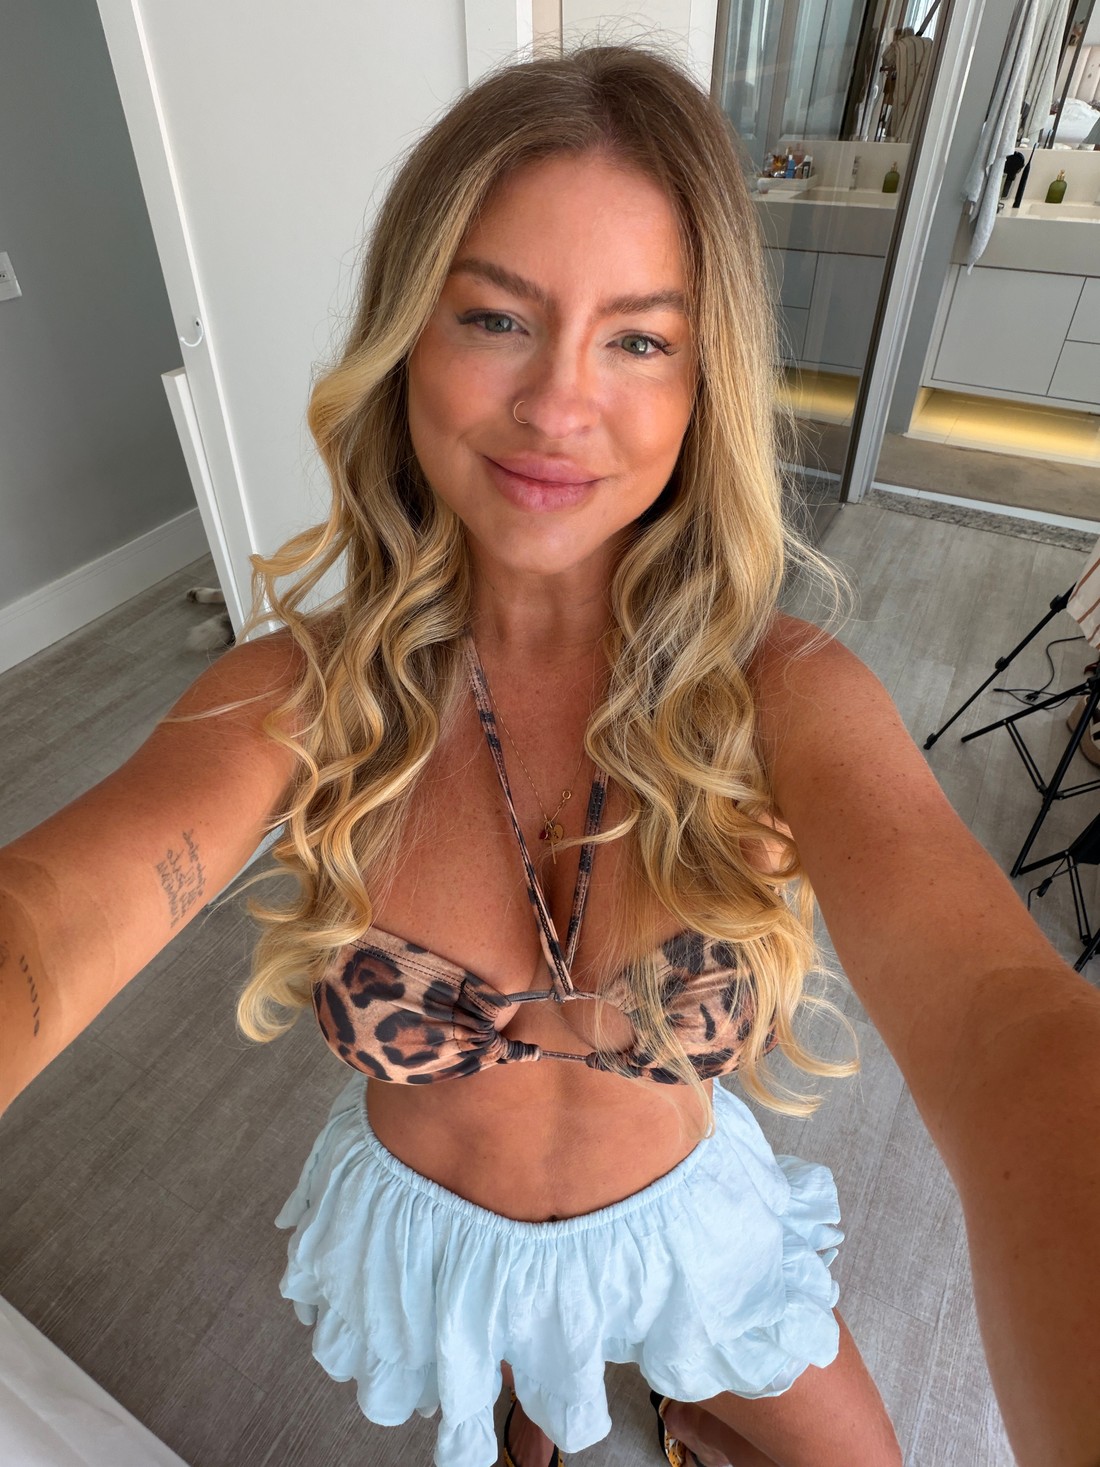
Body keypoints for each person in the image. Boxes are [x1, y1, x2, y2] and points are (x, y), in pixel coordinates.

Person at [1, 44, 1098, 1467]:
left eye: (639, 339)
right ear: (408, 341)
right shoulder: (308, 696)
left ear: (704, 382)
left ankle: (680, 1395)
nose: (558, 406)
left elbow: (1003, 1017)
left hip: (681, 1230)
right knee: (523, 1432)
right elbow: (44, 926)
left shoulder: (782, 698)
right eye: (497, 317)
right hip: (449, 1248)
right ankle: (550, 1407)